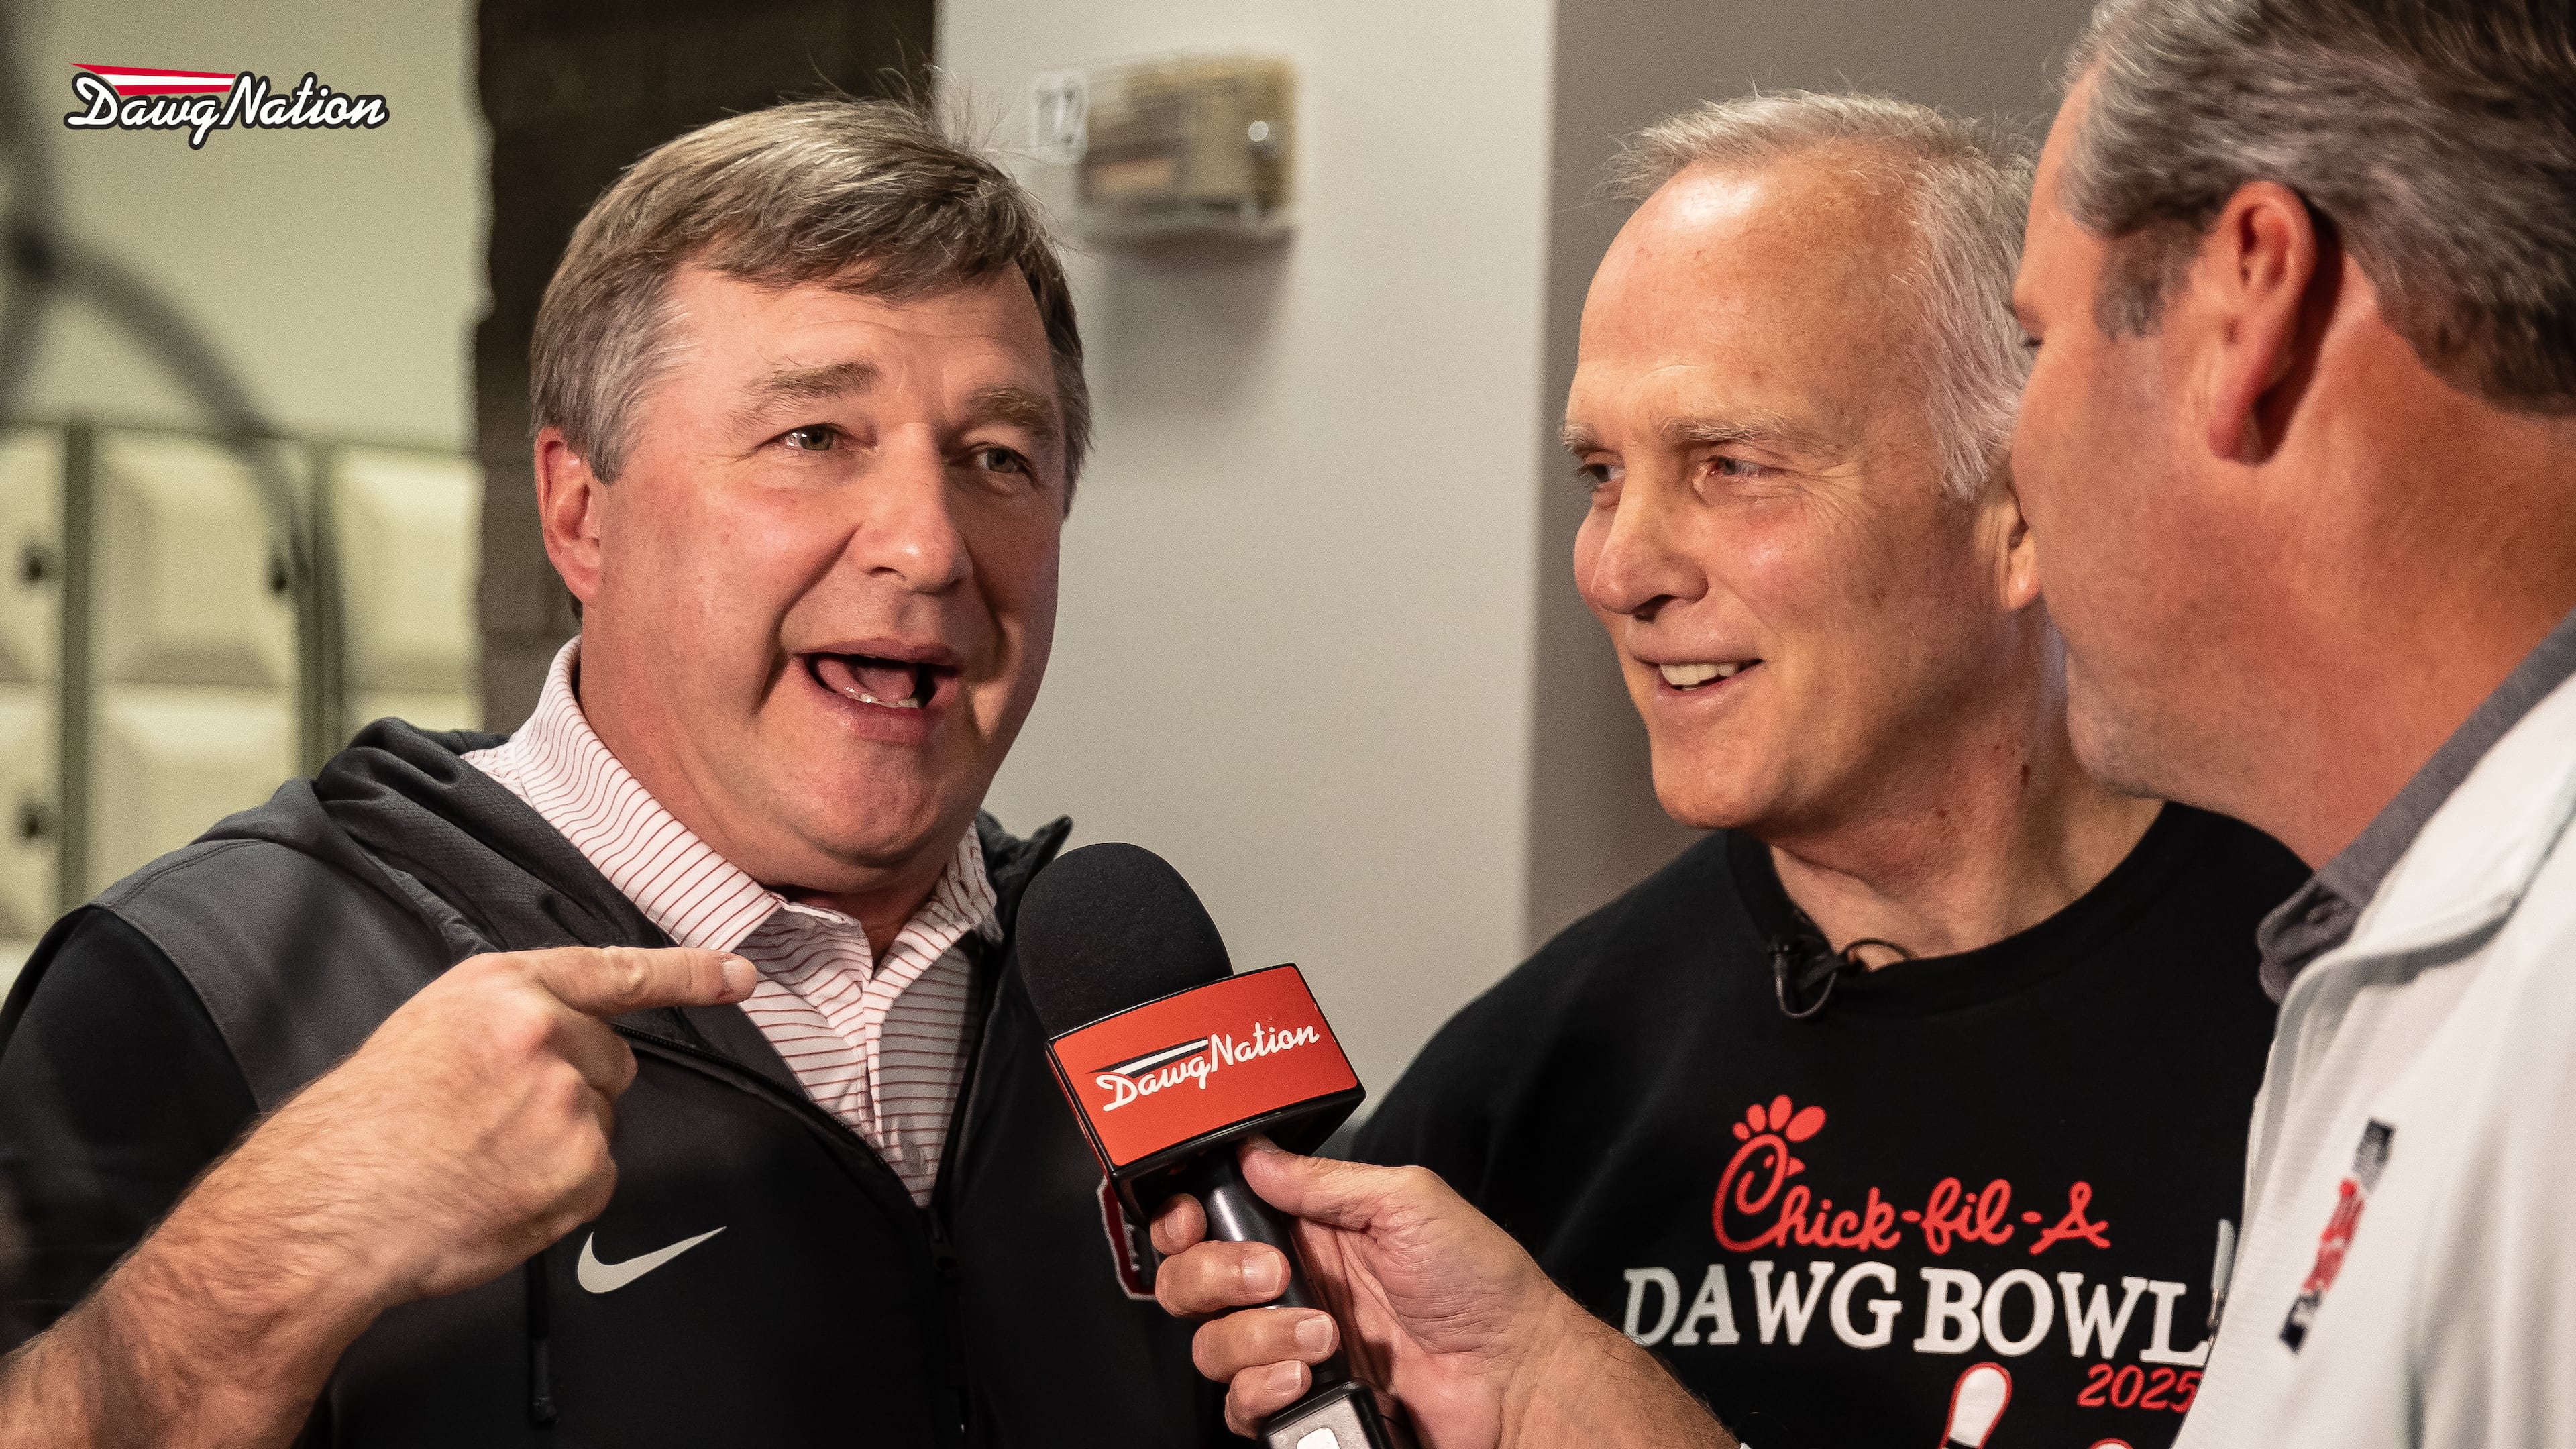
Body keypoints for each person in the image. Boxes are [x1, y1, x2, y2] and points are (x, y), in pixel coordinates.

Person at [1155, 3, 2576, 1446]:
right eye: (1599, 471)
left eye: (1733, 464)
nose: (1616, 569)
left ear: (2006, 514)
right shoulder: (1526, 1091)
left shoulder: (2361, 977)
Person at [0, 99, 1218, 1446]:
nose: (929, 546)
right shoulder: (212, 984)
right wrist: (269, 1264)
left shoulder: (1114, 994)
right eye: (813, 440)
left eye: (998, 459)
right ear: (581, 514)